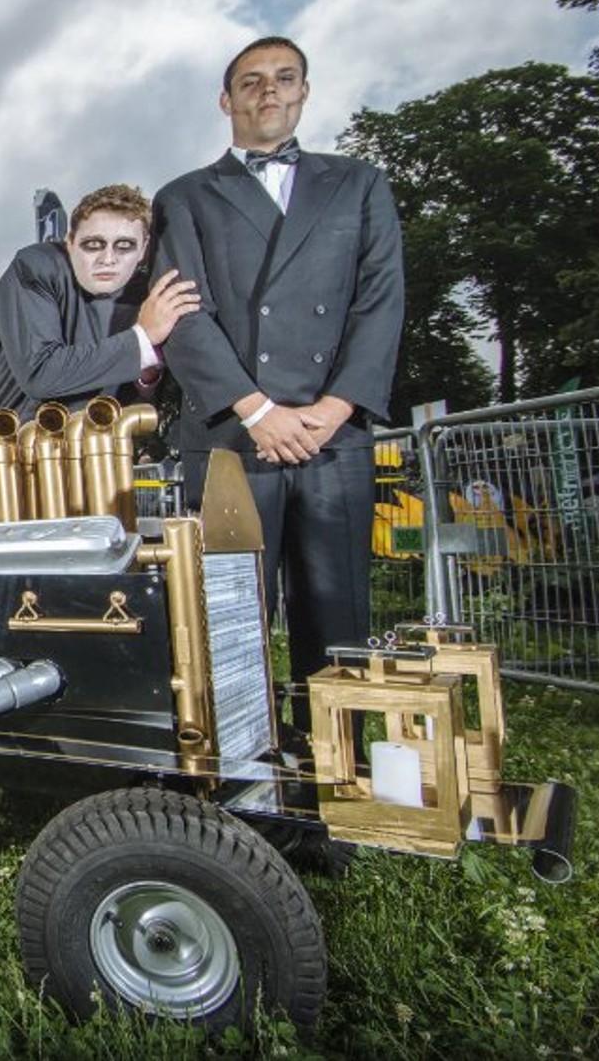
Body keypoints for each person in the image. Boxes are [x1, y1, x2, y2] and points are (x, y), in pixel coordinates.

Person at [154, 36, 404, 736]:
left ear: (304, 91)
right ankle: (240, 780)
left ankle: (338, 781)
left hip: (334, 435)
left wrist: (335, 407)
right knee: (232, 621)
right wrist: (257, 408)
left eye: (284, 78)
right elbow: (182, 315)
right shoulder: (184, 198)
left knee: (337, 614)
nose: (269, 91)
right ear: (225, 101)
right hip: (235, 436)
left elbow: (381, 300)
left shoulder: (359, 184)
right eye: (252, 81)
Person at [0, 184, 200, 422]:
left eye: (124, 245)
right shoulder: (35, 266)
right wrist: (142, 340)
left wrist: (148, 373)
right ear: (70, 242)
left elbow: (140, 407)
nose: (108, 259)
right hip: (5, 443)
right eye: (93, 244)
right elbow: (40, 373)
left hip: (93, 445)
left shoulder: (145, 296)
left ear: (143, 248)